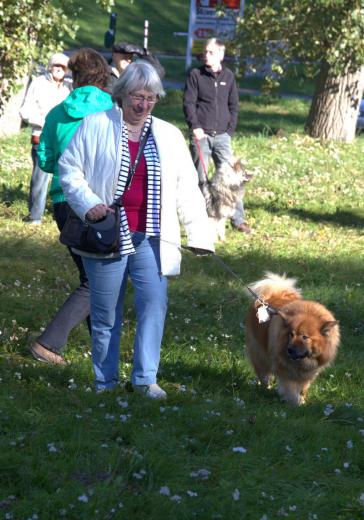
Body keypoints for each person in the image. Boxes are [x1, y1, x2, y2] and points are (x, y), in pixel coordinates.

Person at [58, 60, 214, 397]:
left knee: (154, 305)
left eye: (150, 98)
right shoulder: (95, 125)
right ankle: (105, 381)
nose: (142, 105)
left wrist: (200, 236)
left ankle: (145, 379)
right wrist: (89, 205)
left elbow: (187, 188)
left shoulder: (169, 135)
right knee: (105, 315)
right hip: (107, 234)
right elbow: (69, 171)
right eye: (136, 97)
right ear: (122, 94)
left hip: (152, 238)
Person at [30, 49, 113, 365]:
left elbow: (46, 161)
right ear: (103, 76)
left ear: (75, 76)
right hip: (95, 203)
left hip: (63, 204)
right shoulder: (110, 110)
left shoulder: (55, 112)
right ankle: (48, 343)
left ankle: (105, 352)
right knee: (97, 281)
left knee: (93, 275)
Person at [183, 37, 251, 234]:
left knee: (234, 180)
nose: (206, 55)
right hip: (201, 135)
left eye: (211, 52)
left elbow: (234, 106)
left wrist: (229, 130)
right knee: (199, 178)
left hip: (223, 136)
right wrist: (195, 126)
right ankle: (199, 218)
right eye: (205, 52)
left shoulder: (228, 76)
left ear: (221, 54)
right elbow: (189, 103)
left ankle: (238, 219)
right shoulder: (195, 75)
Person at [19, 53, 71, 224]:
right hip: (40, 136)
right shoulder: (38, 83)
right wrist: (45, 122)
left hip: (62, 139)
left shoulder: (67, 88)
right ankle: (35, 216)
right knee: (39, 178)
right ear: (49, 66)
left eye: (63, 67)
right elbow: (25, 110)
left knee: (64, 177)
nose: (59, 69)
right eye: (56, 65)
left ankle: (62, 214)